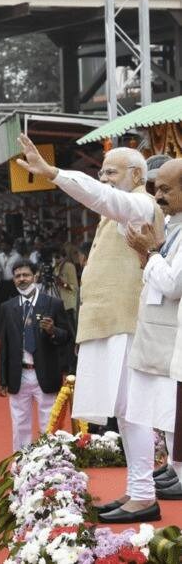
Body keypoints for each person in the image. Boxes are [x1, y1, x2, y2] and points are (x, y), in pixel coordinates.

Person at [17, 134, 165, 524]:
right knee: (124, 411)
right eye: (101, 172)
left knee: (133, 411)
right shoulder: (120, 209)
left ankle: (144, 494)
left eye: (111, 172)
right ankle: (138, 492)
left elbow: (104, 198)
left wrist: (53, 173)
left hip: (125, 322)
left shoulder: (139, 204)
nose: (104, 178)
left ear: (136, 174)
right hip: (110, 323)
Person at [124, 159, 182, 500]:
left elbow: (173, 285)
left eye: (166, 189)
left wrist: (149, 254)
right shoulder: (173, 225)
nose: (158, 196)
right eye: (155, 188)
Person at [0, 260, 70, 451]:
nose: (22, 279)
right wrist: (2, 379)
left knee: (49, 423)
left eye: (26, 275)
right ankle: (22, 465)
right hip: (18, 373)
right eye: (18, 276)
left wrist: (53, 330)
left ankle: (50, 462)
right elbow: (4, 345)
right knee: (20, 424)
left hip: (45, 371)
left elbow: (67, 337)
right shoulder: (7, 307)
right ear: (13, 279)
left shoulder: (53, 304)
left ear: (35, 276)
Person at [0, 238, 22, 304]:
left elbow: (21, 269)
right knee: (2, 301)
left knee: (16, 301)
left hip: (13, 282)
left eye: (4, 245)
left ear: (9, 246)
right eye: (1, 245)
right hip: (2, 282)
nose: (2, 247)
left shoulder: (17, 256)